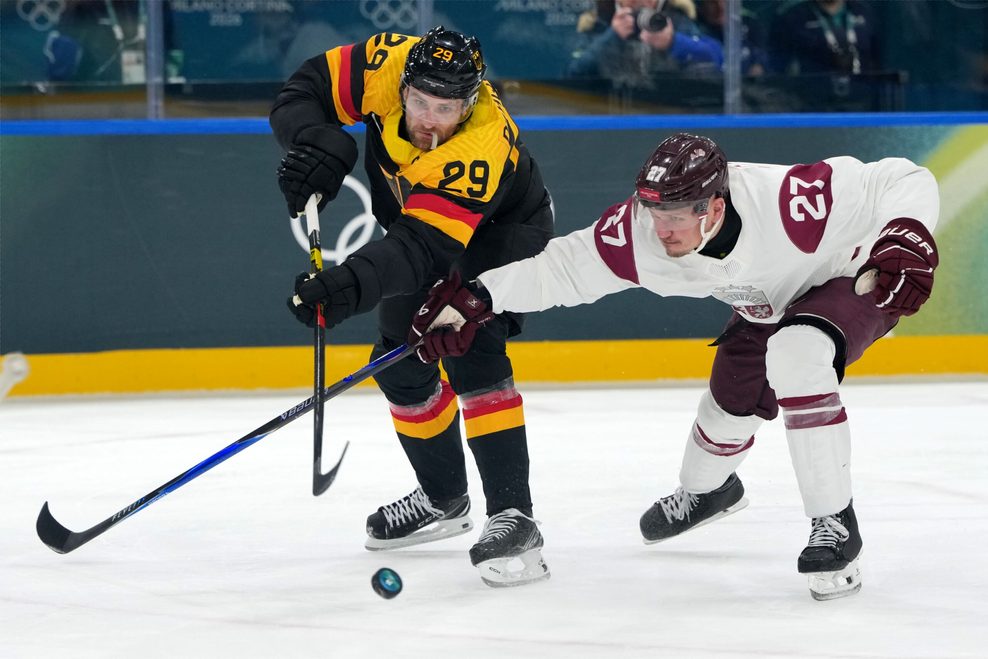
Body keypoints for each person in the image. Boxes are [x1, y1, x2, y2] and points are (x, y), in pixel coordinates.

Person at [408, 133, 940, 600]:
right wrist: (479, 297)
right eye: (655, 212)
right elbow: (564, 268)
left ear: (713, 206)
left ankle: (834, 523)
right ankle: (709, 490)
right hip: (766, 300)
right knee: (729, 401)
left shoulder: (788, 204)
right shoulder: (642, 231)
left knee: (798, 354)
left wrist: (907, 236)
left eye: (676, 215)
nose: (661, 229)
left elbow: (902, 178)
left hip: (861, 274)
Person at [269, 26, 554, 588]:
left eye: (445, 108)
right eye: (420, 101)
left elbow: (422, 252)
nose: (428, 118)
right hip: (417, 225)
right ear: (404, 85)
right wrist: (313, 139)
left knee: (470, 346)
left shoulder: (481, 148)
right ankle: (445, 498)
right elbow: (305, 87)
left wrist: (347, 287)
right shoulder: (385, 63)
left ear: (469, 102)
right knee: (401, 362)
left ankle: (514, 517)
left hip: (503, 235)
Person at [568, 0, 723, 85]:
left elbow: (715, 57)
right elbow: (574, 73)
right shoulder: (597, 22)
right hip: (606, 110)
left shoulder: (676, 18)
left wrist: (673, 41)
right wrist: (612, 36)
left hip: (665, 108)